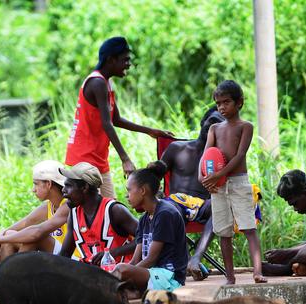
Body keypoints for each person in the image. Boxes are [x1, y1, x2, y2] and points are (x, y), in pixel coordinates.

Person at [65, 36, 173, 198]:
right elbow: (107, 124)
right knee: (92, 209)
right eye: (125, 60)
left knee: (109, 206)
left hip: (98, 159)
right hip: (85, 159)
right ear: (111, 59)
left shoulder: (107, 83)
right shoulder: (97, 83)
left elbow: (116, 120)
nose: (128, 64)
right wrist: (125, 159)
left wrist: (151, 131)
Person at [0, 160, 77, 304]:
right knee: (10, 234)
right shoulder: (47, 207)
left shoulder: (67, 204)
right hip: (56, 259)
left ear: (48, 184)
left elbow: (37, 232)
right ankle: (0, 286)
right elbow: (18, 226)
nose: (33, 189)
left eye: (36, 184)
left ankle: (8, 290)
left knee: (35, 238)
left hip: (72, 261)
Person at [199, 80, 266, 284]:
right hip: (217, 187)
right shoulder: (214, 129)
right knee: (223, 230)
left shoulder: (246, 127)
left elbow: (239, 155)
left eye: (226, 102)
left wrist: (220, 175)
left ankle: (257, 272)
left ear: (239, 103)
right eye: (218, 103)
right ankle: (230, 276)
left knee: (248, 227)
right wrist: (202, 177)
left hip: (238, 182)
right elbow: (206, 156)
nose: (221, 107)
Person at [159, 106, 225, 280]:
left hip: (204, 207)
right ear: (203, 122)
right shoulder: (177, 148)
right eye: (211, 121)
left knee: (220, 205)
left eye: (218, 124)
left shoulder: (221, 159)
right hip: (175, 205)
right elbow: (154, 176)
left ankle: (196, 258)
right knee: (167, 208)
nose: (212, 127)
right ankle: (187, 260)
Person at [112, 162, 189, 292]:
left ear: (142, 191)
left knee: (121, 270)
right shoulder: (144, 219)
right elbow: (136, 259)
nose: (127, 196)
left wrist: (125, 273)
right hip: (152, 274)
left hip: (170, 278)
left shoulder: (164, 214)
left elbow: (151, 259)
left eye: (129, 190)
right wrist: (127, 272)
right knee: (120, 282)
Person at [58, 162, 138, 268]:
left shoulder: (114, 210)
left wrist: (113, 252)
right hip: (90, 275)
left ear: (84, 188)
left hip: (120, 276)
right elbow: (65, 254)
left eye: (68, 186)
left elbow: (145, 237)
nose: (63, 190)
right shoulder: (74, 214)